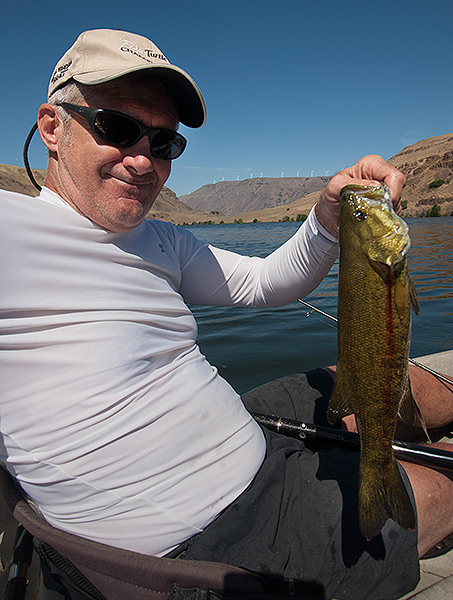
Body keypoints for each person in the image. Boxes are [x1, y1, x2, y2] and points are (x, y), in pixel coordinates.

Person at [1, 28, 452, 600]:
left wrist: (329, 218)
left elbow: (267, 283)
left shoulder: (160, 240)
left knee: (400, 378)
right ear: (52, 127)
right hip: (213, 539)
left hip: (244, 428)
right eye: (117, 128)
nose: (142, 159)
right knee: (447, 477)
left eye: (164, 141)